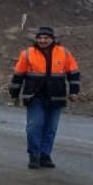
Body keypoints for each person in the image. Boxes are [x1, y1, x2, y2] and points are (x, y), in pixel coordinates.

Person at [8, 26, 81, 169]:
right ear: (36, 39)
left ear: (52, 39)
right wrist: (14, 95)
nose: (42, 40)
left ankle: (45, 156)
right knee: (34, 127)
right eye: (40, 38)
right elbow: (18, 76)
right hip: (35, 97)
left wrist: (74, 92)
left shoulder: (64, 53)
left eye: (46, 38)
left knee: (50, 129)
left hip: (57, 97)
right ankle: (34, 156)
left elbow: (74, 74)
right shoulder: (27, 54)